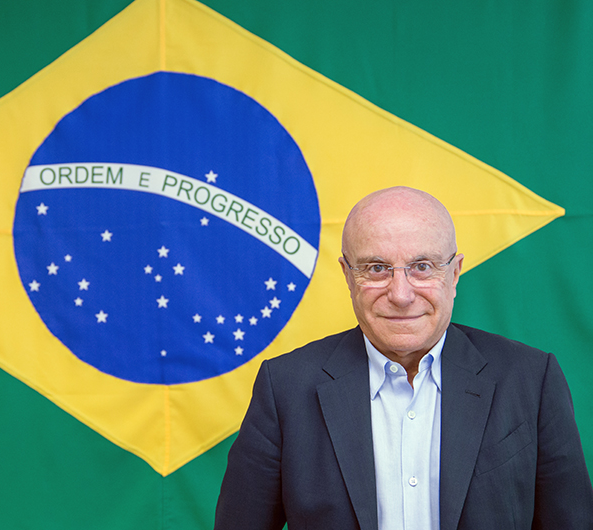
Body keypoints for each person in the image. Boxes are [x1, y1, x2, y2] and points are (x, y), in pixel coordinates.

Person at [214, 186, 593, 530]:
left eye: (422, 267)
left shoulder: (530, 379)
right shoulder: (285, 388)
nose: (401, 294)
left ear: (455, 274)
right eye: (376, 268)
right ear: (347, 276)